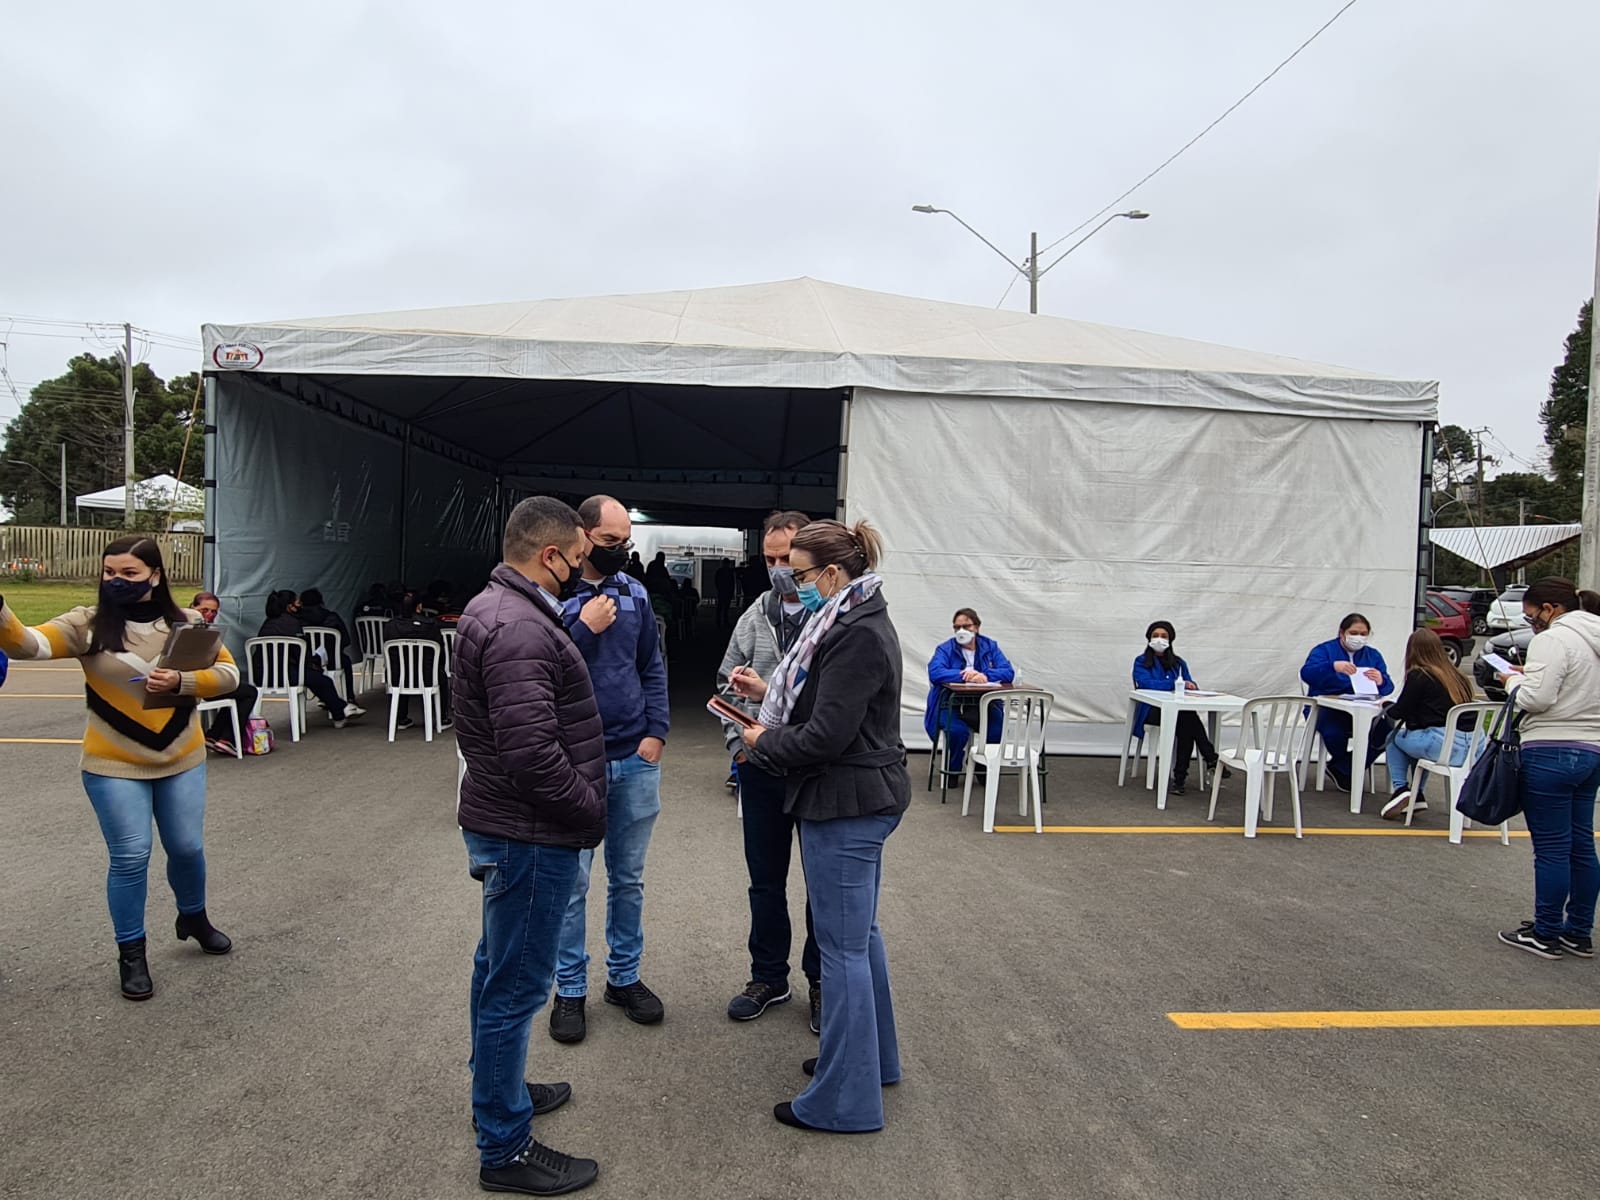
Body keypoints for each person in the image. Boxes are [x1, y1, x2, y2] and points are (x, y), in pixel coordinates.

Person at [0, 536, 240, 1000]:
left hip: (182, 757)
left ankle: (193, 916)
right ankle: (131, 953)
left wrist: (184, 679)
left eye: (129, 573)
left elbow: (229, 675)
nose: (116, 581)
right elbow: (27, 644)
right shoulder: (85, 625)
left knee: (187, 848)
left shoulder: (188, 623)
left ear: (155, 576)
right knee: (131, 857)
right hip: (113, 762)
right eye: (110, 572)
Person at [731, 519, 910, 1134]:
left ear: (833, 574)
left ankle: (844, 1099)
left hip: (847, 800)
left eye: (801, 573)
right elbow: (831, 708)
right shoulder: (852, 619)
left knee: (841, 952)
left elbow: (827, 735)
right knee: (860, 942)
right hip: (858, 796)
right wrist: (766, 695)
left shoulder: (854, 632)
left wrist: (763, 739)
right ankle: (872, 1063)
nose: (793, 581)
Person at [453, 496, 606, 1194]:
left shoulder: (499, 606)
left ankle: (503, 1092)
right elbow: (532, 755)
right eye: (579, 558)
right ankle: (504, 1148)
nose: (585, 569)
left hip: (512, 826)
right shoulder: (519, 626)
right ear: (550, 555)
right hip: (530, 832)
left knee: (497, 971)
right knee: (514, 989)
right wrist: (588, 813)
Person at [550, 496, 671, 1044]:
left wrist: (656, 732)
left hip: (633, 756)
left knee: (628, 879)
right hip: (575, 762)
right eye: (609, 541)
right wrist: (583, 625)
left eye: (626, 540)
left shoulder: (635, 593)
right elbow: (538, 668)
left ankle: (624, 977)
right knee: (571, 883)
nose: (620, 550)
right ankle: (569, 988)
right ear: (582, 535)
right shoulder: (551, 599)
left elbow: (651, 665)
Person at [715, 510, 822, 1031]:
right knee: (766, 880)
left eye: (788, 559)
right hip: (759, 769)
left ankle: (822, 981)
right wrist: (739, 746)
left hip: (815, 770)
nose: (779, 568)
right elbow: (724, 680)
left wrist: (772, 690)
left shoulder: (829, 615)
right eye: (770, 559)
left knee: (822, 882)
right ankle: (769, 975)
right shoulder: (754, 616)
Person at [1492, 577, 1600, 960]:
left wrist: (1511, 682)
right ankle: (1578, 932)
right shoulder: (1594, 636)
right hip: (1593, 751)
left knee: (1552, 849)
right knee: (1582, 846)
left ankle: (1546, 931)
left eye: (1531, 615)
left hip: (1551, 750)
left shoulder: (1553, 639)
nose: (1531, 622)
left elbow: (1537, 699)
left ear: (1551, 609)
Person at [1377, 628, 1477, 819]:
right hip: (1472, 748)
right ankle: (1416, 794)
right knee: (1414, 741)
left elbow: (1400, 712)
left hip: (1442, 745)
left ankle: (1402, 789)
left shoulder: (1420, 675)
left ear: (1412, 651)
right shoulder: (1458, 677)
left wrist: (1387, 704)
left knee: (1393, 738)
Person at [1130, 621, 1228, 796]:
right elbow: (1145, 683)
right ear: (1149, 638)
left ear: (1170, 640)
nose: (1159, 639)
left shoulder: (1179, 663)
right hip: (1152, 711)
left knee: (1186, 724)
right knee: (1188, 720)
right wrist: (1173, 684)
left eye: (1164, 636)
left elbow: (1189, 682)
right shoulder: (1141, 661)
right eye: (1155, 635)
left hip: (1177, 712)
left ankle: (1180, 780)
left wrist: (1191, 686)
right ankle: (1210, 758)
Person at [1300, 613, 1394, 791]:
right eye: (1354, 632)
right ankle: (1345, 767)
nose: (1359, 637)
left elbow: (1388, 687)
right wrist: (1333, 667)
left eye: (1364, 633)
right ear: (1342, 633)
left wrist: (1381, 680)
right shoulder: (1324, 650)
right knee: (1335, 733)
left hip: (1362, 708)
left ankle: (1342, 768)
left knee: (1387, 731)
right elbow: (1307, 673)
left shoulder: (1373, 656)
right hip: (1326, 708)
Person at [923, 608, 1016, 775]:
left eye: (966, 626)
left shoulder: (990, 646)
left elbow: (1008, 672)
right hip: (949, 704)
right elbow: (935, 672)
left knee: (996, 729)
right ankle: (953, 768)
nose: (962, 631)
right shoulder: (945, 649)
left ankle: (982, 765)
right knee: (957, 732)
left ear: (977, 627)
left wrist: (984, 675)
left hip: (983, 704)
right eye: (957, 627)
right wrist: (965, 676)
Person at [257, 590, 366, 727]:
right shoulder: (293, 624)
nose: (299, 605)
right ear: (290, 607)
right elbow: (300, 654)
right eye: (297, 602)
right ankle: (341, 712)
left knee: (314, 678)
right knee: (322, 680)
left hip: (262, 674)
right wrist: (314, 662)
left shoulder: (267, 624)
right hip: (286, 673)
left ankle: (341, 708)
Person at [191, 591, 260, 753]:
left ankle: (213, 735)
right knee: (249, 692)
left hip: (201, 680)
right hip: (197, 683)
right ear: (193, 607)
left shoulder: (201, 628)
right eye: (204, 610)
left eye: (214, 612)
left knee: (237, 692)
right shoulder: (195, 631)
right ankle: (228, 739)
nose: (209, 615)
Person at [384, 591, 452, 732]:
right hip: (427, 676)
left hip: (397, 677)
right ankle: (442, 718)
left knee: (398, 668)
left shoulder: (390, 626)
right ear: (419, 607)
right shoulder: (430, 625)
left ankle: (400, 718)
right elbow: (440, 652)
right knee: (441, 676)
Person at [297, 586, 357, 699]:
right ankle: (349, 696)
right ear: (320, 601)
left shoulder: (297, 620)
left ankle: (324, 697)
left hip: (306, 661)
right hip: (332, 658)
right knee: (346, 661)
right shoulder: (331, 617)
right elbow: (345, 640)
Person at [714, 558, 737, 631]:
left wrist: (719, 589)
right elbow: (732, 582)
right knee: (726, 608)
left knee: (720, 607)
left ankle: (718, 622)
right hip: (728, 591)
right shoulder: (730, 572)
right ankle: (725, 622)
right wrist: (732, 591)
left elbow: (716, 581)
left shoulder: (719, 571)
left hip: (722, 591)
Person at [676, 577, 700, 642]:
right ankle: (692, 630)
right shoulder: (694, 591)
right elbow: (698, 600)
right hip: (692, 611)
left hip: (681, 612)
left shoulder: (680, 592)